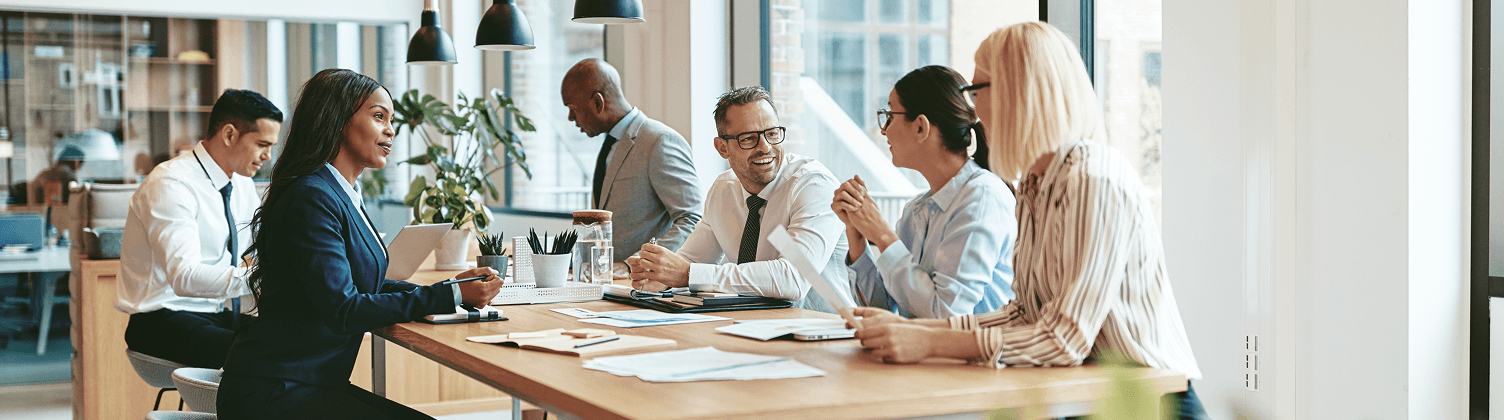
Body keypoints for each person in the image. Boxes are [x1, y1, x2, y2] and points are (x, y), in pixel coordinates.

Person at [845, 22, 1208, 418]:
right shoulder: (1036, 184)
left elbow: (1063, 339)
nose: (972, 111)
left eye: (976, 91)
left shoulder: (1092, 181)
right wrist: (918, 331)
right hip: (1087, 394)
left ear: (1020, 94)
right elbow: (1025, 314)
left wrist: (930, 343)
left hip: (1150, 403)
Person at [217, 69, 503, 419]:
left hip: (307, 382)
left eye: (391, 120)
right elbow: (344, 309)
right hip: (276, 391)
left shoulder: (340, 192)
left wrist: (453, 289)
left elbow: (362, 284)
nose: (390, 130)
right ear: (338, 120)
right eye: (378, 116)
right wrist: (451, 296)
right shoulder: (312, 196)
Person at [627, 86, 847, 312]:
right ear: (722, 147)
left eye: (772, 133)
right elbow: (692, 261)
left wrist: (686, 274)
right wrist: (660, 275)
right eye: (749, 138)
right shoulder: (724, 189)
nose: (766, 148)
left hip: (822, 331)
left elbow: (793, 279)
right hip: (751, 327)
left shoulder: (813, 185)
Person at [116, 89, 283, 368]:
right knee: (261, 355)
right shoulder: (171, 184)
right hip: (160, 319)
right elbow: (185, 277)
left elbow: (262, 244)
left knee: (295, 341)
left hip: (214, 314)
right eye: (262, 144)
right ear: (229, 135)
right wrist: (265, 277)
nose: (268, 155)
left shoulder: (241, 183)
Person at [833, 65, 1016, 319]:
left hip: (973, 357)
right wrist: (857, 234)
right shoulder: (916, 210)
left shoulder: (982, 197)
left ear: (921, 127)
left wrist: (882, 233)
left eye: (890, 115)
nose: (884, 129)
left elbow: (947, 315)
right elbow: (882, 311)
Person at [561, 58, 702, 271]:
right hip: (607, 285)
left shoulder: (659, 141)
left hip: (643, 286)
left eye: (572, 108)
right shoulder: (609, 144)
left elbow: (692, 219)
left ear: (597, 103)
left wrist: (632, 265)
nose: (571, 118)